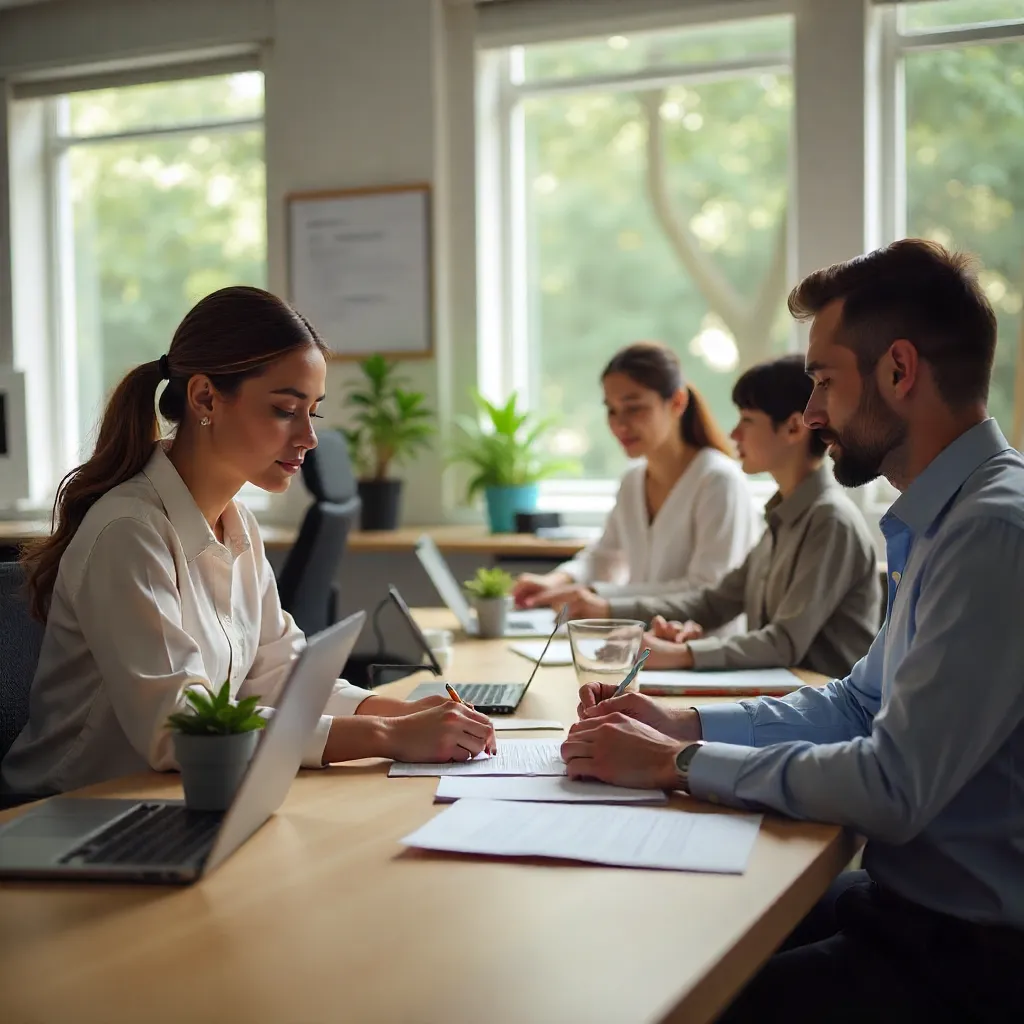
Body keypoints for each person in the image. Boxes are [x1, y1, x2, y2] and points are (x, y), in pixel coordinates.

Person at [561, 240, 1024, 1021]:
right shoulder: (946, 520)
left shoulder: (991, 533)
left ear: (899, 371)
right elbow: (852, 704)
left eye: (822, 380)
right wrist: (684, 719)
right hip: (906, 908)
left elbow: (891, 788)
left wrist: (678, 761)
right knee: (666, 934)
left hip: (967, 953)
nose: (810, 413)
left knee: (669, 999)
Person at [2, 287, 495, 798]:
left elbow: (281, 674)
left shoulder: (236, 524)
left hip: (173, 797)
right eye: (286, 409)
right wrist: (386, 735)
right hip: (74, 812)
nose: (309, 437)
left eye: (313, 412)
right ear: (205, 398)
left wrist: (407, 712)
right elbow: (180, 728)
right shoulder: (129, 531)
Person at [562, 353, 880, 679]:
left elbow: (784, 643)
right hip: (781, 695)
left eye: (747, 420)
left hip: (818, 709)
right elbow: (713, 603)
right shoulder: (783, 517)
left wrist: (680, 654)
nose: (734, 435)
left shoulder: (829, 521)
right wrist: (615, 614)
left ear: (793, 428)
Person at [512, 342, 759, 634]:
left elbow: (706, 590)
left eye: (634, 408)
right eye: (612, 410)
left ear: (677, 402)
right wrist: (556, 581)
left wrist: (596, 593)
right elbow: (604, 557)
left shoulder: (718, 481)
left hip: (704, 651)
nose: (620, 424)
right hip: (645, 646)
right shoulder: (632, 481)